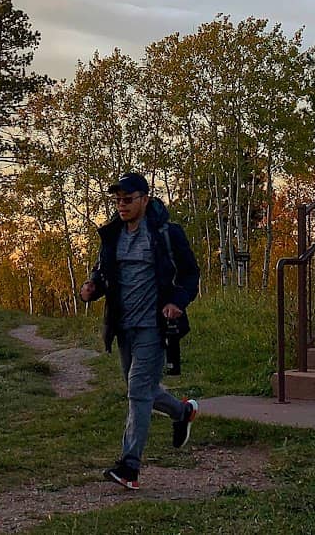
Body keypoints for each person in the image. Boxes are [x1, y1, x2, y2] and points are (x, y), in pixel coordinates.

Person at [79, 172, 201, 489]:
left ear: (145, 199)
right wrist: (93, 288)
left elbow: (190, 275)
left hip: (154, 326)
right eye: (118, 200)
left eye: (128, 200)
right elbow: (104, 274)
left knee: (137, 389)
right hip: (124, 328)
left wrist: (177, 302)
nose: (122, 206)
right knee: (143, 391)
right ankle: (183, 412)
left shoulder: (166, 234)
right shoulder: (113, 236)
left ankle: (129, 467)